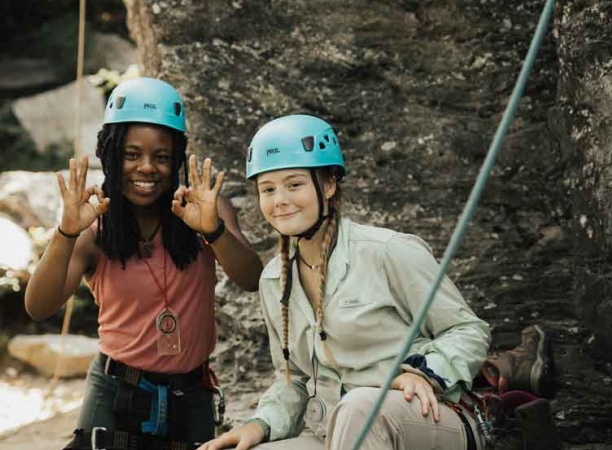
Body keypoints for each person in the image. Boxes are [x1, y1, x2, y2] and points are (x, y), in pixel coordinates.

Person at [198, 115, 491, 450]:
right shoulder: (274, 280)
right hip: (332, 431)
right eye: (267, 189)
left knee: (359, 411)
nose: (279, 200)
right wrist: (260, 424)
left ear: (328, 185)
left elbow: (469, 330)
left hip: (428, 416)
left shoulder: (388, 252)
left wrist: (421, 373)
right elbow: (293, 380)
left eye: (294, 185)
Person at [24, 77, 264, 450]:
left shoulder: (204, 212)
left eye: (162, 156)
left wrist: (213, 231)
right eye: (132, 155)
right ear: (112, 154)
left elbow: (252, 278)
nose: (147, 167)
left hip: (192, 394)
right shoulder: (95, 227)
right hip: (116, 391)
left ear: (177, 160)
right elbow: (38, 306)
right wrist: (65, 233)